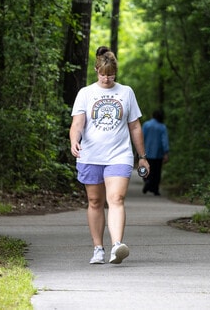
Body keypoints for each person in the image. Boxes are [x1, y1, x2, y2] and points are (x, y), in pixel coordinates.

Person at [69, 46, 150, 265]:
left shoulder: (126, 93)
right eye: (103, 74)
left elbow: (135, 126)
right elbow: (77, 124)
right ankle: (98, 249)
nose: (106, 78)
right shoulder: (85, 94)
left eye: (110, 74)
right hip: (90, 155)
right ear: (96, 70)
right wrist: (74, 140)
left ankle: (117, 246)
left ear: (116, 72)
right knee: (95, 201)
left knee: (116, 199)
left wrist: (141, 156)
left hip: (119, 155)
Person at [141, 110, 169, 196]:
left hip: (147, 152)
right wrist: (166, 152)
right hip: (158, 153)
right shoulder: (162, 127)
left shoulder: (146, 125)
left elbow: (141, 137)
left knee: (146, 169)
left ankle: (147, 181)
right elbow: (164, 140)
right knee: (157, 171)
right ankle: (155, 189)